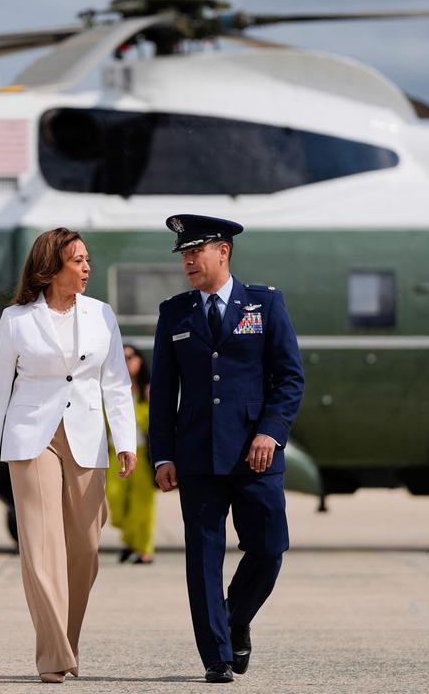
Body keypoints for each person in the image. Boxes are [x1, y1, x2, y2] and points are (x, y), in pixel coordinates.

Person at [0, 227, 137, 684]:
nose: (87, 268)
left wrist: (126, 441)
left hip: (86, 437)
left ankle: (67, 639)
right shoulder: (16, 320)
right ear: (51, 267)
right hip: (32, 439)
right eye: (78, 260)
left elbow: (116, 384)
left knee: (85, 549)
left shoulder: (102, 314)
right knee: (41, 547)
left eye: (88, 259)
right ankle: (52, 656)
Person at [149, 214, 305, 684]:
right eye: (184, 254)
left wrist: (270, 432)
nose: (189, 261)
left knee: (269, 547)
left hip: (255, 455)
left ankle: (236, 618)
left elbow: (290, 378)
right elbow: (162, 391)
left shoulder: (265, 303)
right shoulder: (174, 312)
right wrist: (163, 454)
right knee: (202, 559)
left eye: (197, 251)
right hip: (196, 456)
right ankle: (216, 655)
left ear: (224, 251)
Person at [106, 344, 157, 564]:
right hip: (114, 453)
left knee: (142, 503)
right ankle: (130, 538)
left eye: (130, 357)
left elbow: (154, 424)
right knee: (115, 500)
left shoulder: (148, 391)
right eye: (122, 357)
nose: (127, 361)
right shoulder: (109, 389)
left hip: (142, 454)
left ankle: (144, 548)